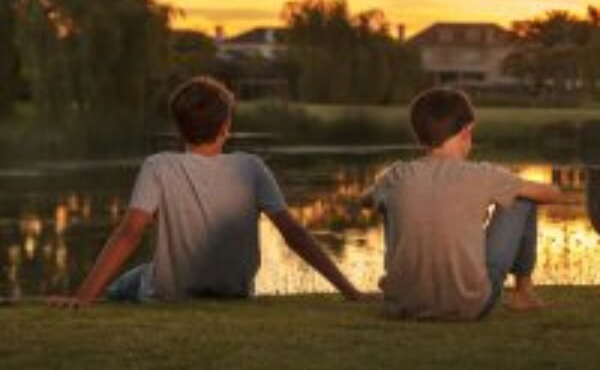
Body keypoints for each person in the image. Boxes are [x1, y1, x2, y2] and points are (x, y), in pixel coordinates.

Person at [49, 76, 365, 308]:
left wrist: (82, 297)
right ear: (226, 127)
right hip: (235, 291)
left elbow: (129, 234)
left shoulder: (158, 166)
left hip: (170, 292)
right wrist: (350, 291)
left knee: (127, 284)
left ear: (179, 128)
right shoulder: (251, 167)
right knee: (143, 274)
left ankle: (93, 299)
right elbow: (294, 234)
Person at [363, 87, 564, 320]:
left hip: (400, 307)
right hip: (470, 306)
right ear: (467, 131)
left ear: (421, 135)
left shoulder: (395, 176)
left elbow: (366, 199)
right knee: (522, 197)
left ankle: (410, 290)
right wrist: (519, 187)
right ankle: (523, 293)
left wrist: (384, 191)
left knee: (386, 205)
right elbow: (551, 194)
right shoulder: (483, 175)